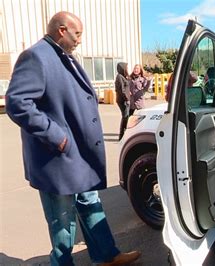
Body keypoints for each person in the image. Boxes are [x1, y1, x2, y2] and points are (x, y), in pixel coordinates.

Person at [5, 11, 140, 266]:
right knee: (61, 218)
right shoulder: (36, 56)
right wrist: (56, 135)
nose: (80, 39)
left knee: (90, 202)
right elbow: (17, 103)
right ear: (62, 30)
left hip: (76, 155)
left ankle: (106, 256)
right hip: (56, 156)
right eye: (77, 34)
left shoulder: (63, 56)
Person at [115, 62, 130, 140]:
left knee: (126, 117)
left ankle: (123, 134)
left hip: (124, 99)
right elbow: (121, 90)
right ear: (122, 68)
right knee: (125, 117)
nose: (127, 69)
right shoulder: (119, 77)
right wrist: (127, 99)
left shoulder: (123, 76)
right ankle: (121, 135)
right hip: (123, 100)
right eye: (126, 67)